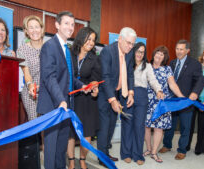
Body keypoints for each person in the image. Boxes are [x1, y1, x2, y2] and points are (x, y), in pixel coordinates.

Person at [37, 11, 86, 169]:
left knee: (61, 149)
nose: (70, 27)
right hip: (53, 106)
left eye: (72, 25)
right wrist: (61, 100)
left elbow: (70, 78)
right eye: (66, 23)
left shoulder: (68, 50)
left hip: (66, 107)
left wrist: (83, 87)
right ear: (57, 25)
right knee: (50, 150)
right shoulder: (49, 47)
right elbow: (49, 77)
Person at [97, 27, 136, 167]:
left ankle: (106, 153)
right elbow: (105, 77)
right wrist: (112, 99)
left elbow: (130, 73)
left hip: (118, 93)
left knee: (112, 125)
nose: (130, 46)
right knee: (104, 126)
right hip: (104, 95)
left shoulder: (129, 53)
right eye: (128, 43)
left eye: (132, 44)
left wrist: (131, 92)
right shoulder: (108, 51)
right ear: (120, 39)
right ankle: (102, 158)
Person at [159, 40, 204, 160]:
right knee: (169, 124)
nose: (178, 51)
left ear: (187, 51)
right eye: (177, 49)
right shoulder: (172, 63)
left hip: (186, 101)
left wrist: (195, 93)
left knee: (185, 126)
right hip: (172, 101)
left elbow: (200, 80)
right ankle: (167, 145)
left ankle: (182, 150)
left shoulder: (195, 64)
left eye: (181, 49)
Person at [120, 42, 164, 165]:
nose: (140, 54)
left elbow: (153, 80)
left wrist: (159, 90)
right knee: (127, 125)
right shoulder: (127, 63)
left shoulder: (147, 66)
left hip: (141, 96)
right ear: (133, 51)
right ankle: (126, 153)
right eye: (138, 51)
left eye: (142, 52)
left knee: (139, 127)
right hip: (126, 95)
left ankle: (137, 155)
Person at [67, 27, 101, 169]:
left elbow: (95, 79)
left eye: (93, 40)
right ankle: (71, 160)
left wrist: (94, 88)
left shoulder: (95, 58)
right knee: (70, 133)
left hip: (87, 100)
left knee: (87, 134)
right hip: (71, 98)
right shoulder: (69, 53)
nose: (91, 42)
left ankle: (82, 158)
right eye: (89, 38)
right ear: (81, 37)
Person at [144, 46, 184, 163]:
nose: (159, 55)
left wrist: (181, 96)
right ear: (154, 54)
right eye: (158, 53)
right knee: (146, 126)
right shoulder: (146, 67)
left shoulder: (167, 69)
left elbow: (172, 84)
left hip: (161, 103)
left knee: (158, 128)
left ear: (164, 57)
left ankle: (154, 152)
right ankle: (148, 148)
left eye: (162, 54)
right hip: (147, 101)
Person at [17, 15, 44, 121]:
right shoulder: (22, 50)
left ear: (42, 29)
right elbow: (26, 73)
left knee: (48, 128)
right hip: (31, 93)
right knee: (35, 124)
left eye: (37, 27)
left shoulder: (49, 47)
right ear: (26, 31)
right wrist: (30, 85)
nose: (34, 30)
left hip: (48, 92)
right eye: (30, 27)